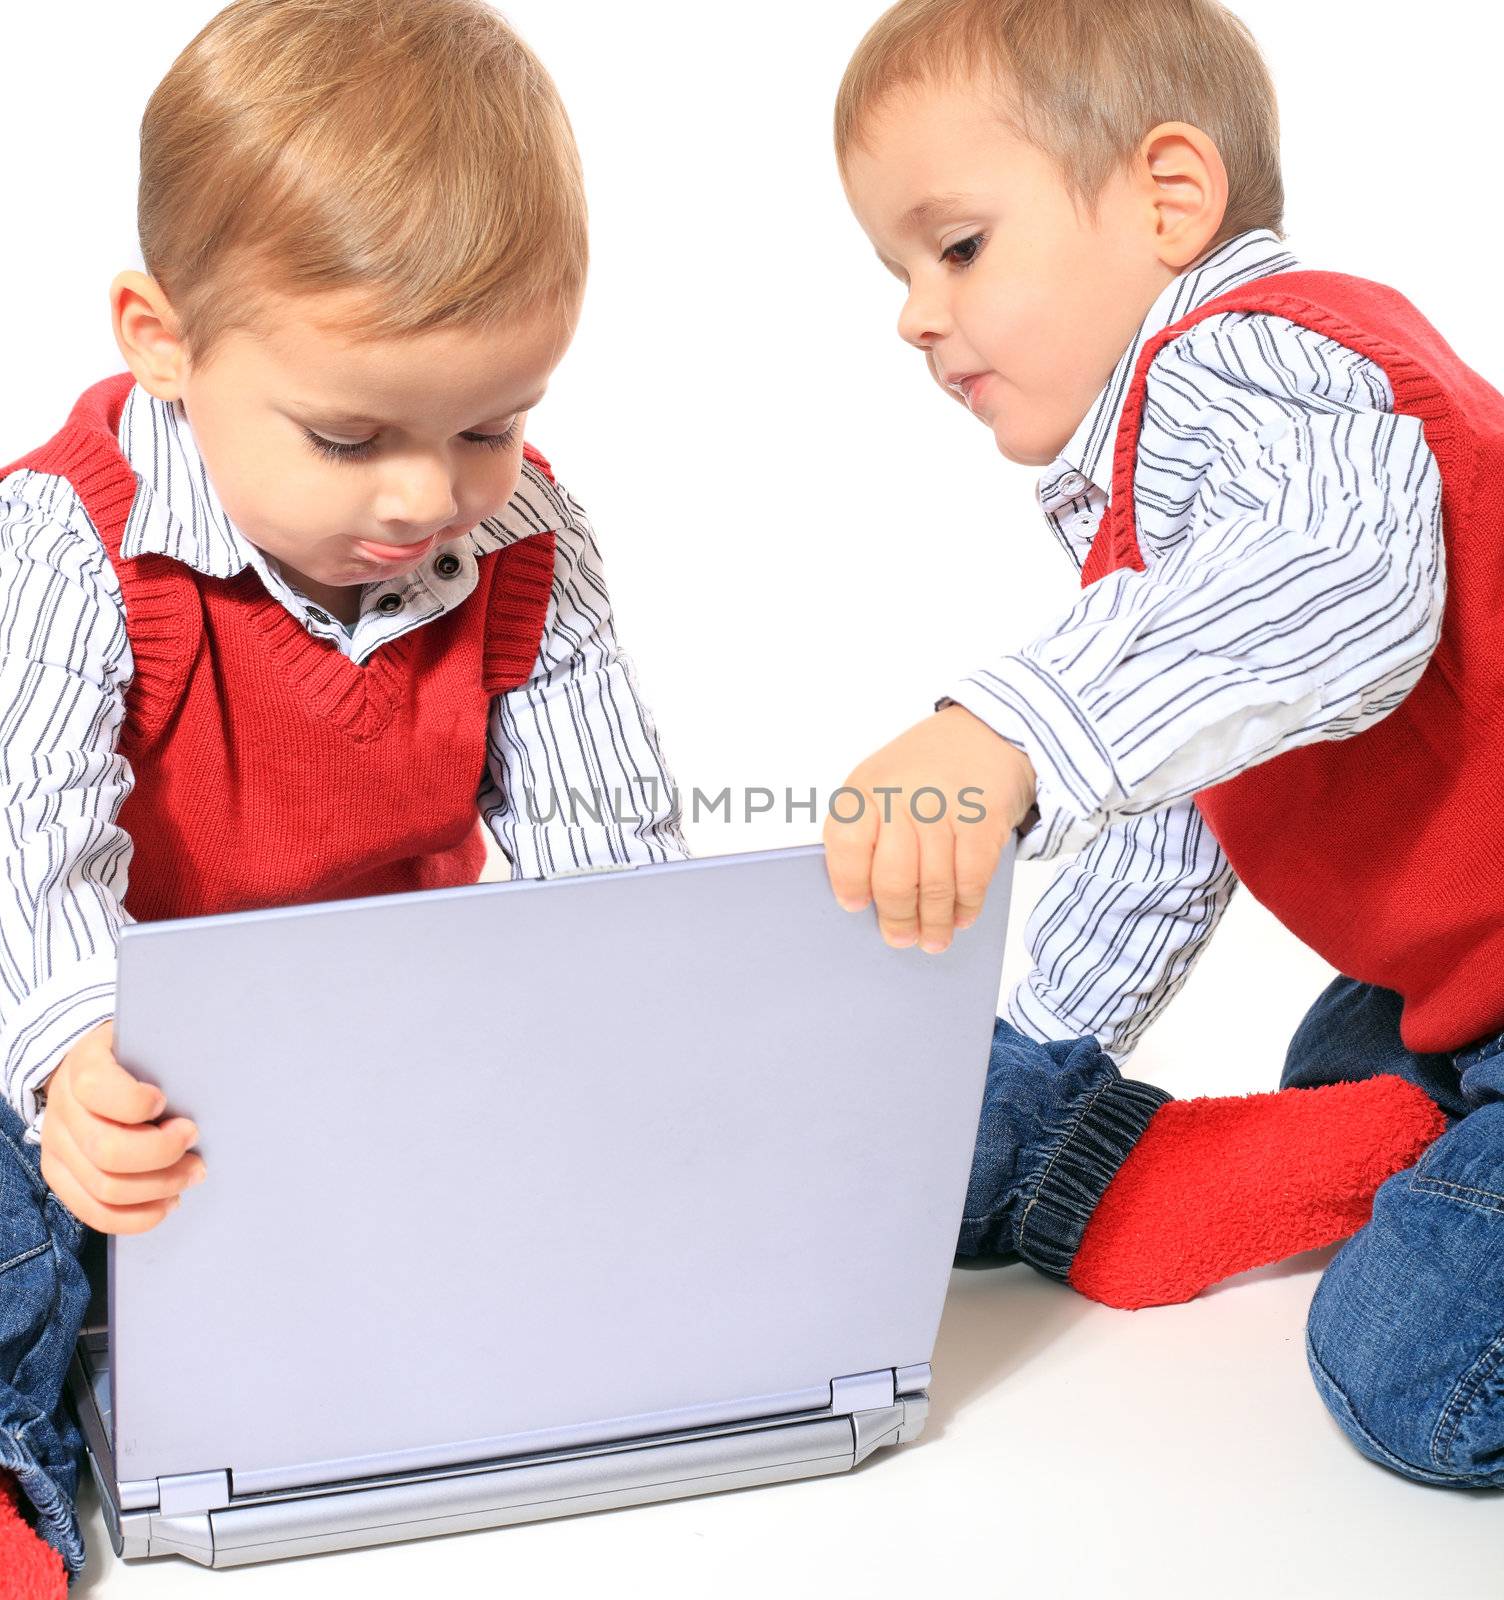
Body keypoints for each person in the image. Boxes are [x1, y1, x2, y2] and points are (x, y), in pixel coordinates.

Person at [0, 1, 686, 1588]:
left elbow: (606, 858)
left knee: (778, 1084)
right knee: (19, 1236)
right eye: (348, 434)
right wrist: (68, 1066)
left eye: (490, 427)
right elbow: (23, 856)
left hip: (391, 1048)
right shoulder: (67, 545)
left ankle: (1074, 1159)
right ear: (162, 342)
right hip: (111, 1059)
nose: (423, 496)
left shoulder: (523, 543)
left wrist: (608, 1043)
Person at [823, 0, 1502, 1489]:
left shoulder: (1262, 357)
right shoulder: (1165, 470)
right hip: (1466, 967)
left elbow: (1344, 593)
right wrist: (1048, 1045)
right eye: (897, 270)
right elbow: (1178, 796)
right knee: (1342, 1053)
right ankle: (1395, 1140)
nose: (913, 315)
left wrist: (1003, 728)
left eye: (957, 248)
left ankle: (1407, 1185)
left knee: (1415, 1371)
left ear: (1168, 198)